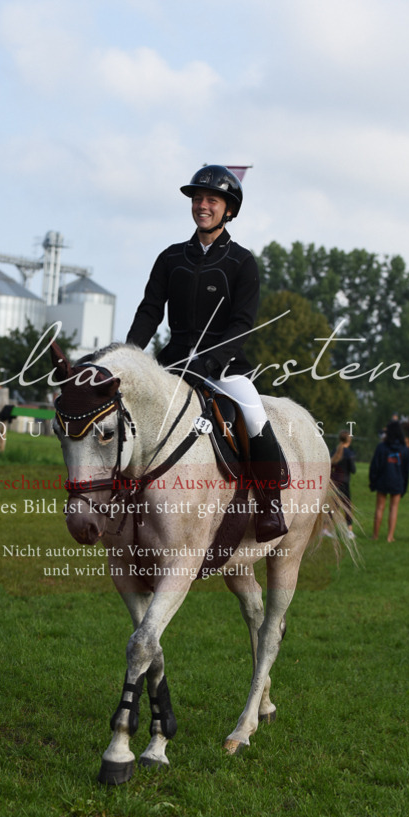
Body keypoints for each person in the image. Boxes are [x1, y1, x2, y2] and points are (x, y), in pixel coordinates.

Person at [126, 164, 287, 540]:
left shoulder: (242, 262)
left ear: (228, 209)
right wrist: (130, 355)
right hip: (174, 363)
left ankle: (270, 506)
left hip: (224, 367)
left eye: (211, 200)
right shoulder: (171, 258)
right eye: (198, 199)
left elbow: (243, 323)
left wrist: (212, 361)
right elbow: (150, 310)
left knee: (253, 413)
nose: (202, 205)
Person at [369, 421, 409, 542]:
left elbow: (375, 465)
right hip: (397, 481)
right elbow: (406, 470)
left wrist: (372, 481)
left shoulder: (381, 447)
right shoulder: (404, 449)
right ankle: (390, 536)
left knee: (379, 508)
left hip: (382, 480)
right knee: (394, 508)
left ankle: (375, 535)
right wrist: (404, 486)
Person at [330, 430, 356, 537]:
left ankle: (326, 528)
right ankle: (349, 530)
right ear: (349, 440)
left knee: (333, 506)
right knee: (347, 506)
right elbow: (353, 470)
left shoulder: (334, 451)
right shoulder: (349, 454)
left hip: (335, 482)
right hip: (345, 483)